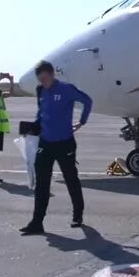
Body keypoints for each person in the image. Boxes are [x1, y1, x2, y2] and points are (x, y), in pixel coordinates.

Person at [19, 60, 93, 235]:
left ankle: (77, 215)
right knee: (41, 183)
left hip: (64, 142)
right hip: (45, 142)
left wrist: (82, 121)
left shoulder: (66, 89)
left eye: (44, 78)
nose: (43, 82)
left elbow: (87, 101)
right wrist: (32, 128)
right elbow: (42, 113)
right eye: (40, 79)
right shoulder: (41, 90)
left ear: (52, 75)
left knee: (70, 179)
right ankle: (37, 222)